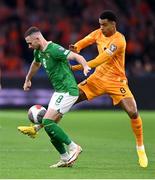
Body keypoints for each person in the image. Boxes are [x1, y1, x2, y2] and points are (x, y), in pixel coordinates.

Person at [18, 11, 148, 168]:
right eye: (99, 24)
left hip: (116, 81)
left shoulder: (119, 40)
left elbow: (101, 59)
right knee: (68, 101)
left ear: (113, 24)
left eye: (104, 25)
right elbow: (86, 40)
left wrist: (78, 66)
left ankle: (140, 148)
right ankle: (41, 129)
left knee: (133, 112)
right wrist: (77, 46)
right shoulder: (98, 33)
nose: (101, 28)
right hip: (97, 79)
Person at [18, 26, 91, 168]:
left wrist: (85, 65)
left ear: (38, 39)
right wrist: (28, 79)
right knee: (49, 126)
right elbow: (35, 64)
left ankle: (73, 147)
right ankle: (64, 159)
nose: (29, 46)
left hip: (68, 91)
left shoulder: (54, 49)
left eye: (30, 43)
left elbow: (76, 56)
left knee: (47, 121)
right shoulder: (38, 51)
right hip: (58, 91)